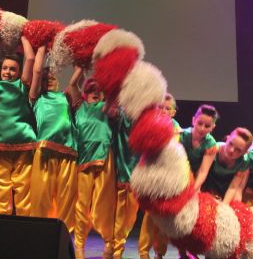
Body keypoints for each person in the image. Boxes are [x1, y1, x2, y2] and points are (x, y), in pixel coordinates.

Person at [0, 25, 36, 216]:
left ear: (19, 71)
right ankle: (1, 223)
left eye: (13, 69)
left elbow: (30, 58)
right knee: (0, 187)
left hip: (23, 142)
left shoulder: (22, 86)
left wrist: (21, 33)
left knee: (23, 188)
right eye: (5, 68)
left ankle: (23, 225)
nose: (8, 72)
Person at [28, 47, 82, 232]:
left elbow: (76, 83)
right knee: (40, 198)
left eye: (51, 77)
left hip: (68, 152)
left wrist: (80, 60)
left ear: (57, 81)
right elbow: (36, 71)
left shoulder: (65, 96)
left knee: (66, 200)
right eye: (44, 79)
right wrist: (42, 47)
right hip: (44, 150)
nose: (48, 80)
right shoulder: (36, 97)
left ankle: (63, 239)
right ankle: (39, 237)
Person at [73, 78, 116, 259]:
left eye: (99, 90)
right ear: (85, 93)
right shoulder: (79, 106)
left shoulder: (107, 107)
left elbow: (116, 100)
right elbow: (71, 85)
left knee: (103, 204)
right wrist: (80, 66)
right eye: (92, 90)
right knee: (82, 205)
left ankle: (109, 244)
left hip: (104, 158)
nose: (96, 93)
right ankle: (79, 246)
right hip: (83, 160)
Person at [138, 92, 181, 259]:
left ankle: (159, 252)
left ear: (173, 112)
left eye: (167, 108)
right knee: (149, 214)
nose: (163, 110)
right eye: (160, 107)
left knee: (163, 216)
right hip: (151, 173)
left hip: (167, 176)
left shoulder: (175, 127)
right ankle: (143, 251)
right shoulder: (150, 124)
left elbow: (172, 149)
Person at [178, 104, 218, 259]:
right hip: (178, 175)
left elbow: (203, 170)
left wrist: (194, 188)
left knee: (193, 218)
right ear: (193, 120)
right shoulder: (181, 136)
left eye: (207, 125)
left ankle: (191, 251)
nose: (202, 128)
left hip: (195, 179)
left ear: (213, 127)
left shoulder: (211, 144)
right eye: (200, 123)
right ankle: (181, 253)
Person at [109, 106, 139, 259]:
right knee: (119, 210)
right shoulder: (120, 112)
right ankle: (115, 247)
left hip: (138, 166)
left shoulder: (145, 113)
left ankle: (119, 244)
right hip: (121, 161)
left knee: (131, 213)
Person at [202, 127, 253, 203]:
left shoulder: (244, 162)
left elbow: (233, 187)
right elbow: (202, 172)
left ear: (245, 152)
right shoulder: (214, 148)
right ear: (227, 138)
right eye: (230, 144)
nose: (231, 150)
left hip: (227, 191)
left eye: (238, 150)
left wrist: (224, 206)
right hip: (207, 186)